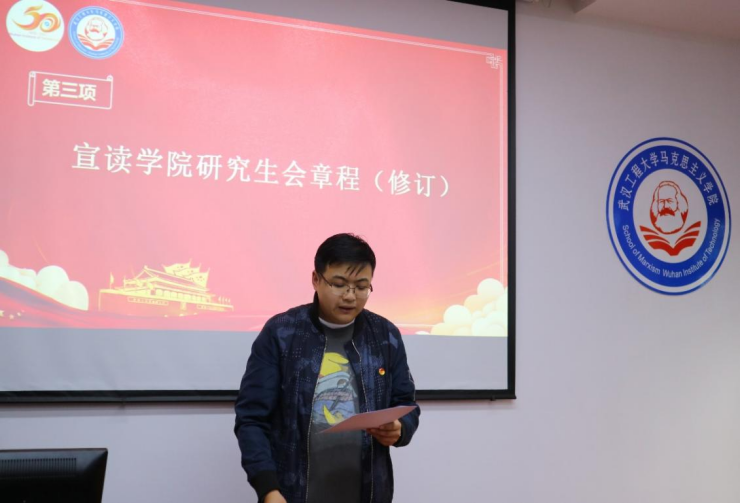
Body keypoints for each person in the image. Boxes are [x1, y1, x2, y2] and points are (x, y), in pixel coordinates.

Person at [235, 233, 420, 504]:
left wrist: (400, 428)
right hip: (292, 492)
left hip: (369, 492)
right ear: (316, 279)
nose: (350, 296)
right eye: (339, 284)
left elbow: (406, 404)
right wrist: (268, 489)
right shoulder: (282, 333)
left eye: (361, 286)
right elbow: (251, 419)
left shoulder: (384, 335)